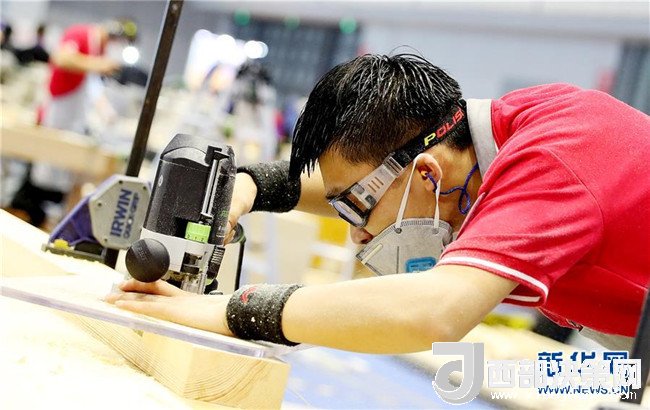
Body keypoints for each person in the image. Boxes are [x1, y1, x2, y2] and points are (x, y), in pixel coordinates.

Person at [107, 54, 650, 354]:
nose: (355, 235)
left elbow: (432, 314)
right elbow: (365, 186)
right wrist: (255, 184)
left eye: (354, 212)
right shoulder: (511, 128)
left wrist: (228, 311)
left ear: (428, 173)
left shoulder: (555, 157)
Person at [10, 20, 136, 226]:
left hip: (72, 119)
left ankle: (50, 217)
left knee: (62, 173)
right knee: (43, 169)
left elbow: (92, 86)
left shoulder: (98, 50)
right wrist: (97, 64)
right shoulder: (80, 35)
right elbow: (61, 58)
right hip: (56, 114)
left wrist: (105, 110)